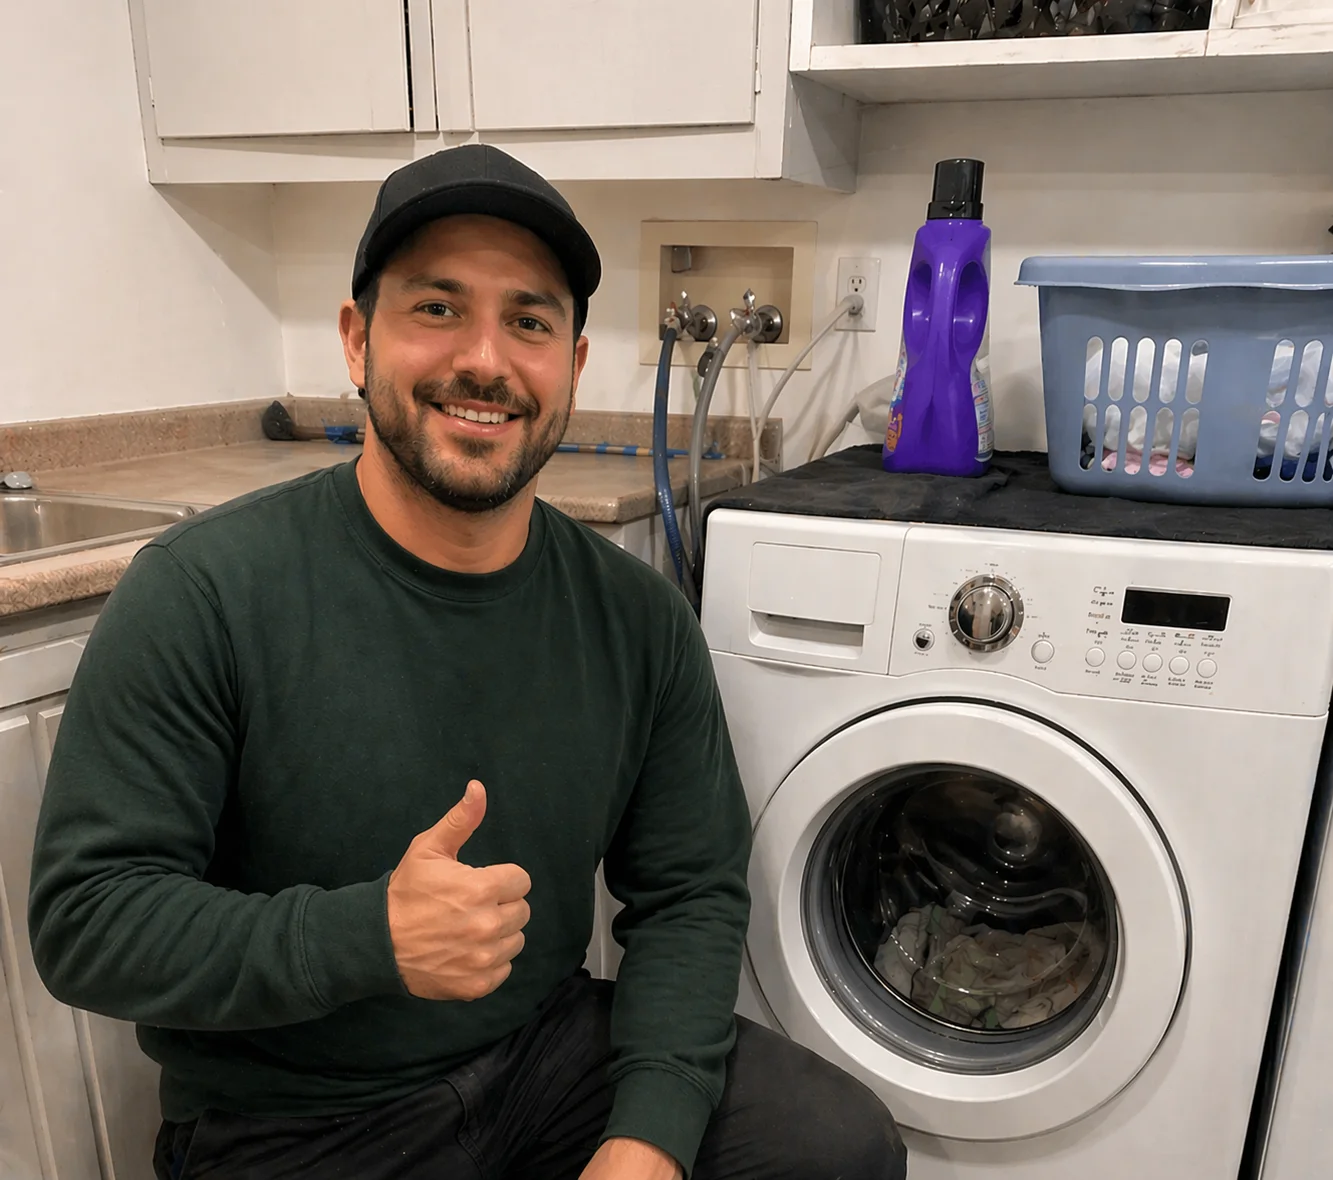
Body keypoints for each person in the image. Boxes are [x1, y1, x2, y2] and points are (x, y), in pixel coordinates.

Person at [28, 144, 907, 1180]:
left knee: (834, 1146)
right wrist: (363, 938)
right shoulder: (204, 592)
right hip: (295, 1119)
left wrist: (647, 1141)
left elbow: (688, 895)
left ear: (572, 368)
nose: (484, 359)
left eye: (529, 321)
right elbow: (88, 919)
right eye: (436, 309)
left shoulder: (636, 617)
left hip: (541, 1059)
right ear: (357, 341)